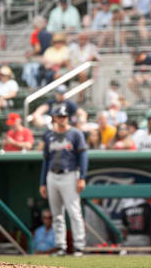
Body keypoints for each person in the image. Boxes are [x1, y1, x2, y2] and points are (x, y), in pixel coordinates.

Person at [39, 104, 87, 256]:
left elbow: (83, 156)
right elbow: (46, 160)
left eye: (64, 116)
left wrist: (82, 177)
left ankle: (79, 246)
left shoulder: (75, 134)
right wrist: (42, 182)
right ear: (54, 118)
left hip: (69, 174)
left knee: (74, 212)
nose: (62, 119)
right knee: (56, 213)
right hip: (52, 175)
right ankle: (61, 246)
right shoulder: (48, 135)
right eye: (59, 116)